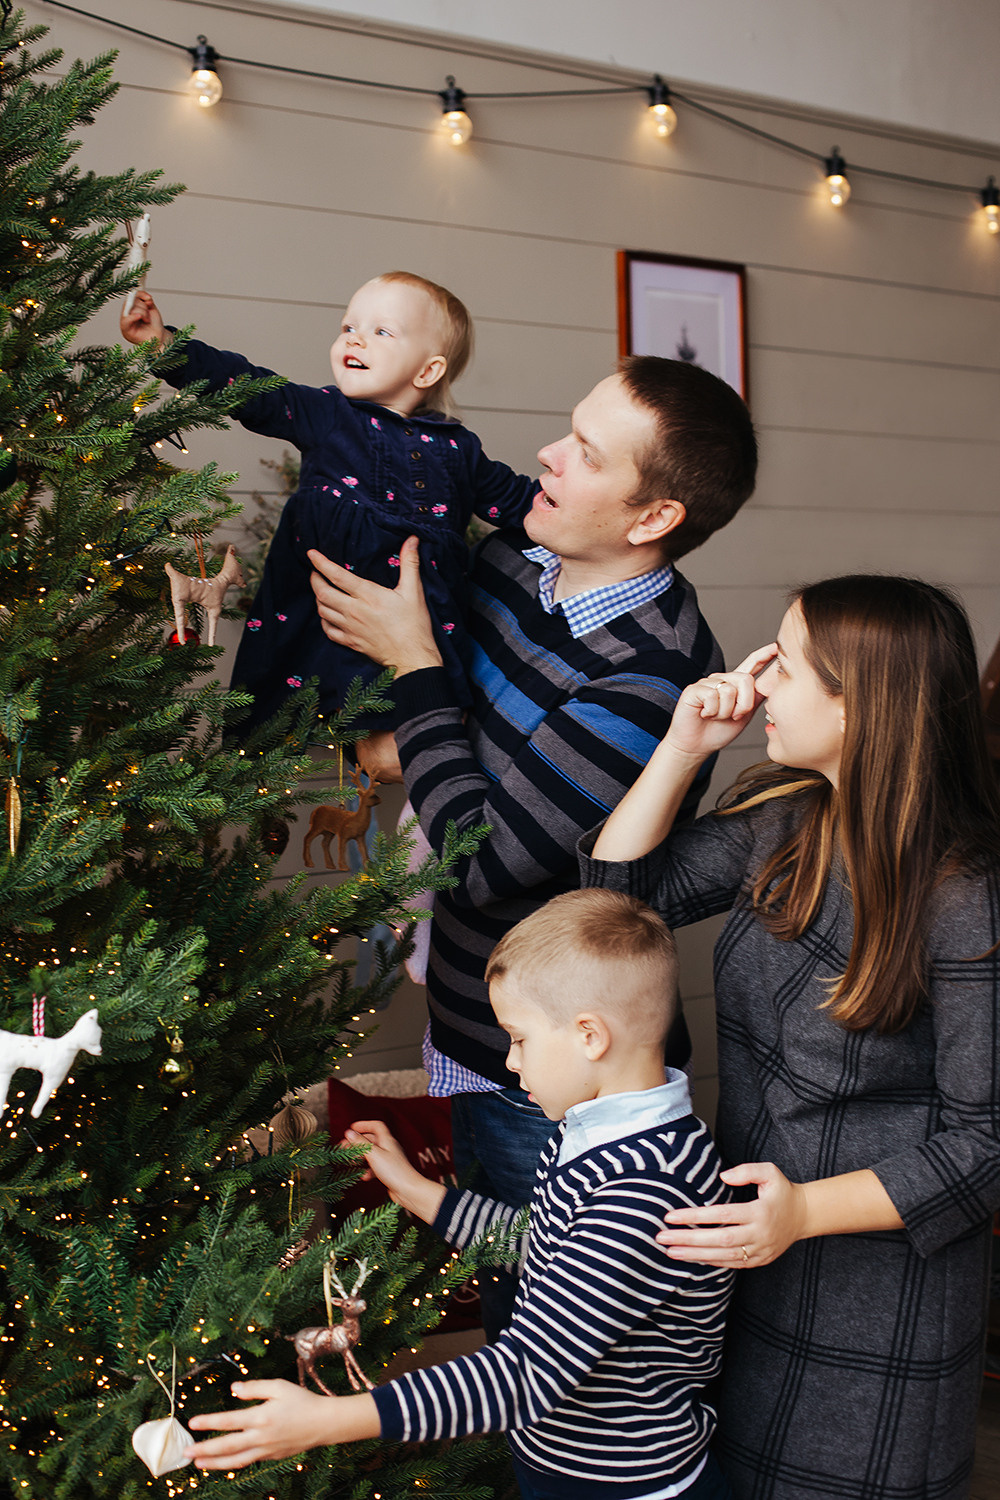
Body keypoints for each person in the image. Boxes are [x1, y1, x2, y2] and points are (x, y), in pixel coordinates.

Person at [307, 356, 758, 1334]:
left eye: (587, 454)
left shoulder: (655, 677)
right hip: (474, 1025)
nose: (547, 456)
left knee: (541, 1331)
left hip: (561, 1075)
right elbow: (445, 731)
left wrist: (414, 663)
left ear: (652, 517)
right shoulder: (513, 557)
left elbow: (478, 861)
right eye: (568, 429)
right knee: (496, 1274)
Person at [579, 574, 1000, 1500]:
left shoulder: (966, 893)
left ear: (861, 704)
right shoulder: (788, 816)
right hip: (750, 1246)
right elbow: (614, 907)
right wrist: (680, 751)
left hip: (879, 1284)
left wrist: (803, 1213)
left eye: (786, 665)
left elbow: (987, 1145)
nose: (755, 680)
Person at [185, 888, 736, 1500]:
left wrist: (334, 1419)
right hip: (562, 1462)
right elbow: (545, 1247)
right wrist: (416, 1191)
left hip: (625, 1483)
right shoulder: (593, 1132)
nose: (512, 1062)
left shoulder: (643, 1184)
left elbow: (529, 1370)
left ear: (590, 1036)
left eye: (519, 1038)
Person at [120, 271, 536, 754]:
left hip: (418, 630)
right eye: (348, 327)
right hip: (318, 621)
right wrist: (165, 346)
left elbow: (523, 503)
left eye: (381, 331)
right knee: (276, 719)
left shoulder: (461, 449)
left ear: (427, 371)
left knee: (421, 734)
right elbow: (248, 388)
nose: (354, 338)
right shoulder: (327, 414)